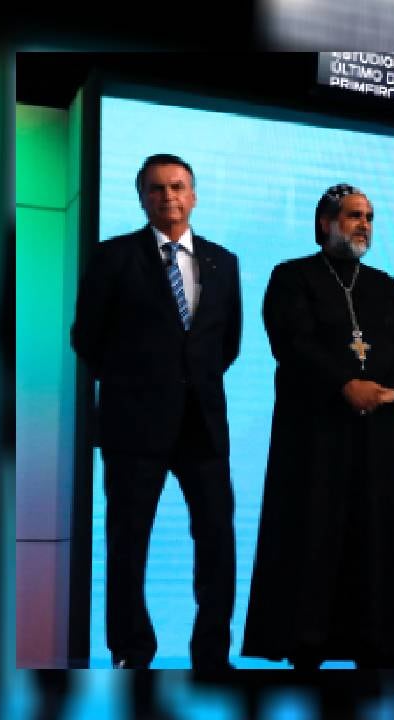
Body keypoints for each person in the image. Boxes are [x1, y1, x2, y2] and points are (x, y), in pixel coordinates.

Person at [241, 184, 394, 669]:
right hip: (316, 436)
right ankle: (308, 646)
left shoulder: (386, 285)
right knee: (313, 536)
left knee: (377, 538)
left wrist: (392, 392)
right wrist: (346, 384)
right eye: (352, 216)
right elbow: (293, 342)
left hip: (379, 436)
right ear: (325, 223)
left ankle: (377, 642)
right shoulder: (291, 277)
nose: (362, 224)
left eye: (368, 216)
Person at [71, 153, 242, 670]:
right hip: (133, 425)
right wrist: (138, 383)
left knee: (217, 541)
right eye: (156, 189)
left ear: (193, 195)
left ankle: (211, 653)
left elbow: (225, 344)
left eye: (177, 187)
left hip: (203, 424)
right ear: (142, 198)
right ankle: (130, 651)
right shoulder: (113, 257)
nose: (168, 197)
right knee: (128, 544)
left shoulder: (222, 260)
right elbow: (87, 338)